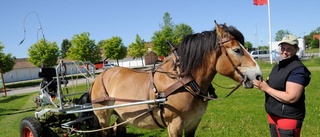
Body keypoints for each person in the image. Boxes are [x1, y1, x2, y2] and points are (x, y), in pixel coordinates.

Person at [253, 35, 311, 137]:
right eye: (283, 48)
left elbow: (291, 97)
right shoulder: (279, 65)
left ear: (296, 49)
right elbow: (272, 85)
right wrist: (262, 84)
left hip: (288, 117)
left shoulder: (297, 69)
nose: (284, 51)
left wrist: (267, 88)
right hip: (273, 114)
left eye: (289, 49)